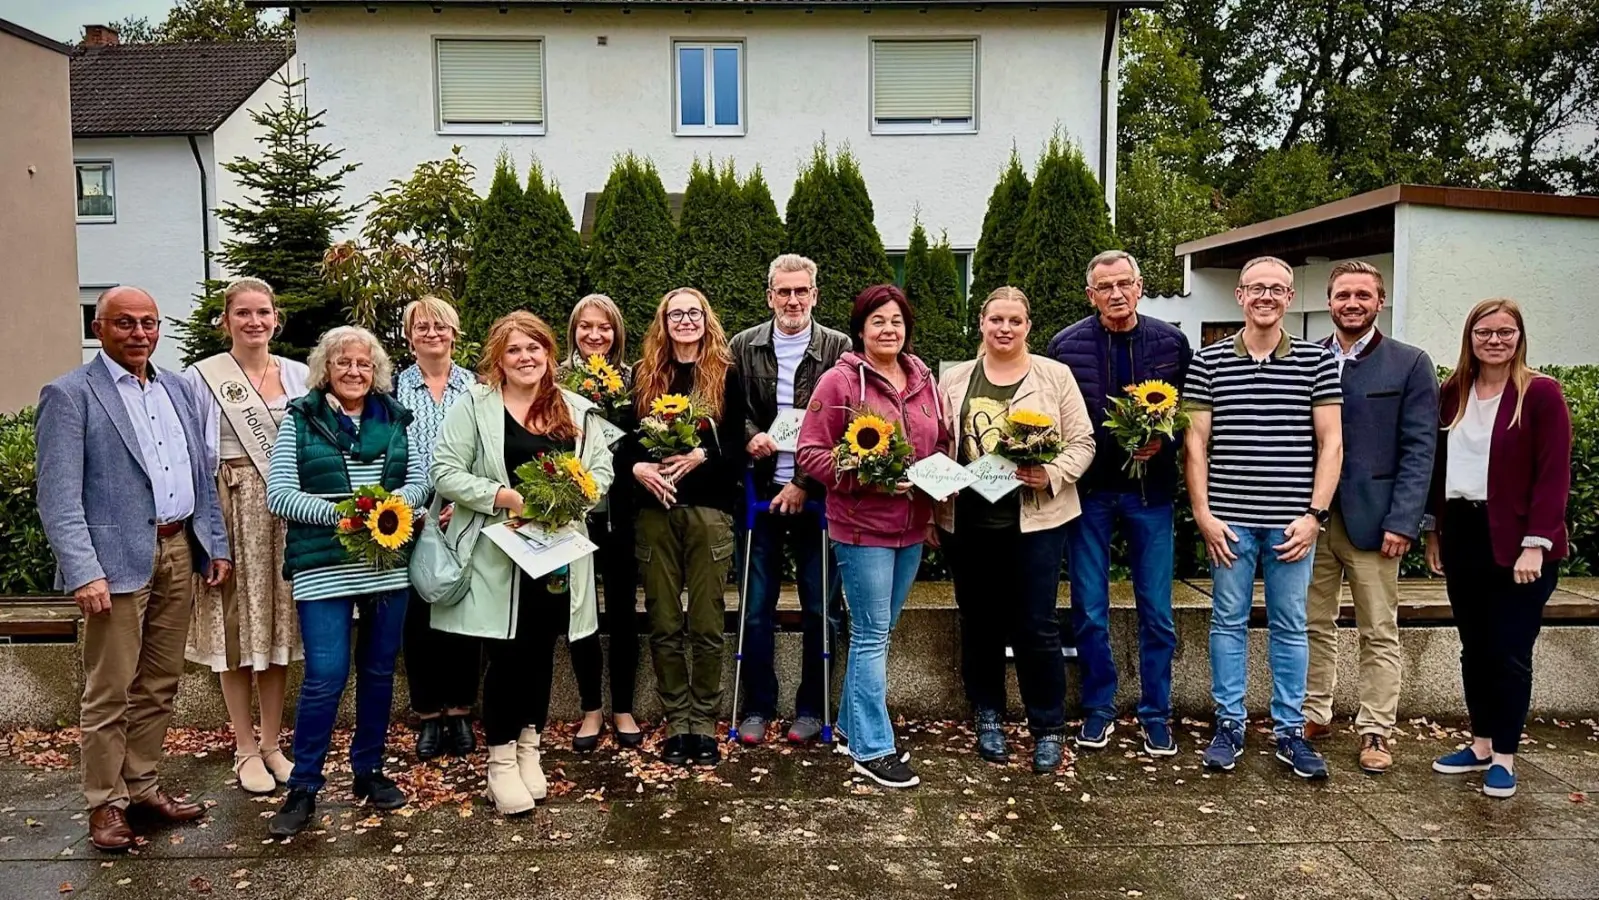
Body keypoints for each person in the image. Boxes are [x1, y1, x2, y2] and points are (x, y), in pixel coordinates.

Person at [36, 286, 231, 853]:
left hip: (177, 549)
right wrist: (83, 571)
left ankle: (142, 785)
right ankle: (105, 801)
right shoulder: (70, 395)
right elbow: (58, 496)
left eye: (148, 322)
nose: (139, 333)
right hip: (114, 563)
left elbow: (199, 475)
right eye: (125, 323)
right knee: (110, 689)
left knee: (160, 682)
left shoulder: (177, 388)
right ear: (99, 328)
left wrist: (214, 545)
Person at [430, 312, 615, 814]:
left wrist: (576, 494)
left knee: (541, 653)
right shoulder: (474, 407)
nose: (525, 358)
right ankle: (500, 761)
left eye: (534, 348)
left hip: (558, 555)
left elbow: (601, 470)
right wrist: (505, 497)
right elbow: (444, 470)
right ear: (498, 358)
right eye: (514, 350)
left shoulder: (575, 409)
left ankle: (530, 749)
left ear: (549, 354)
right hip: (499, 555)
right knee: (508, 657)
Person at [1183, 256, 1343, 781]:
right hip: (1228, 522)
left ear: (1290, 297)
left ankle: (1290, 731)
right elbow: (1196, 444)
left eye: (1277, 288)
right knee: (1227, 621)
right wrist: (1204, 515)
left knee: (1291, 625)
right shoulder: (1207, 362)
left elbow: (1331, 443)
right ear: (1240, 295)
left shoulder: (1317, 362)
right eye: (1256, 288)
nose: (1266, 296)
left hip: (1291, 524)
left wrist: (1315, 516)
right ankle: (1229, 725)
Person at [265, 326, 430, 836]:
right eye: (343, 362)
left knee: (378, 672)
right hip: (323, 567)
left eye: (363, 363)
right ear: (326, 369)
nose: (354, 371)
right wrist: (346, 515)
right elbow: (280, 494)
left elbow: (420, 481)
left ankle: (369, 770)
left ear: (375, 370)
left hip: (386, 565)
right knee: (326, 676)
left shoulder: (394, 418)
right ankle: (304, 786)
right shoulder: (300, 418)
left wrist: (393, 508)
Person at [936, 287, 1096, 773]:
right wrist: (937, 483)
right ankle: (988, 715)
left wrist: (1051, 473)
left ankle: (1047, 725)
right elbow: (939, 442)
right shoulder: (954, 378)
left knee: (1036, 624)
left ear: (1028, 326)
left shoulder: (1055, 376)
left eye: (1015, 321)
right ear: (981, 323)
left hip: (1036, 522)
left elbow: (1083, 442)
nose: (1004, 329)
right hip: (968, 523)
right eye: (996, 320)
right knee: (979, 622)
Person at [797, 284, 949, 789]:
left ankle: (848, 727)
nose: (888, 330)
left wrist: (939, 481)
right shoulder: (839, 382)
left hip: (912, 526)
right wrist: (867, 476)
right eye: (878, 321)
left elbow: (939, 440)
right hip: (862, 528)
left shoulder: (922, 378)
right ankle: (872, 748)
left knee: (878, 631)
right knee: (869, 633)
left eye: (896, 321)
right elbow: (810, 452)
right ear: (860, 329)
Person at [1047, 250, 1191, 757]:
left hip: (1150, 495)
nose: (1116, 293)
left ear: (1140, 286)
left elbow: (1192, 415)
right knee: (1089, 609)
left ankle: (1156, 712)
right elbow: (1055, 419)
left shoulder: (1171, 342)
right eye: (1105, 286)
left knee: (1157, 611)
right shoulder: (1065, 346)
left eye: (1124, 283)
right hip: (1088, 495)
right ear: (1091, 294)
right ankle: (1099, 707)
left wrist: (1164, 441)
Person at [1424, 299, 1570, 799]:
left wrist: (1536, 544)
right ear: (1470, 337)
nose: (1494, 341)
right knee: (1475, 648)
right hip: (1464, 532)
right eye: (1484, 332)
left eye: (1505, 332)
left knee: (1509, 651)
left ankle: (1504, 757)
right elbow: (1438, 469)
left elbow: (1553, 474)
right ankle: (1481, 744)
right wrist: (1434, 532)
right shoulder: (1453, 392)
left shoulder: (1540, 393)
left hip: (1519, 540)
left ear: (1519, 337)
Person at [1301, 261, 1438, 774]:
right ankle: (1314, 712)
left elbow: (1421, 448)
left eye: (1363, 294)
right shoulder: (1308, 359)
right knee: (1311, 621)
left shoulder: (1410, 363)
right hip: (1312, 518)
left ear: (1380, 301)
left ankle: (1376, 727)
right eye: (1343, 295)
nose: (1352, 303)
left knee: (1379, 628)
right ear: (1329, 302)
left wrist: (1405, 520)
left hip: (1378, 522)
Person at [182, 278, 310, 795]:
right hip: (230, 508)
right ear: (226, 320)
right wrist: (208, 536)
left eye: (263, 312)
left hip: (286, 515)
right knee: (235, 632)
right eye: (243, 313)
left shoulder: (299, 375)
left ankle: (274, 744)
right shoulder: (201, 379)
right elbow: (193, 459)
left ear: (276, 318)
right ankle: (244, 748)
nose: (254, 322)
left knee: (276, 631)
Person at [620, 287, 746, 767]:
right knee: (665, 620)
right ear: (664, 321)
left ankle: (703, 721)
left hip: (709, 512)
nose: (686, 321)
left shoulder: (725, 374)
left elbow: (736, 447)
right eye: (676, 314)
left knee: (708, 622)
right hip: (656, 512)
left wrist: (701, 454)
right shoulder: (644, 374)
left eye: (694, 313)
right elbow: (623, 442)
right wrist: (638, 468)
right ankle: (677, 720)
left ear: (706, 319)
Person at [728, 254, 851, 746]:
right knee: (755, 607)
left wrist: (803, 482)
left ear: (815, 295)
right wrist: (749, 435)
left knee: (821, 607)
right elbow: (728, 408)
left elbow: (845, 420)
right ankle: (757, 705)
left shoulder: (839, 348)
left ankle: (813, 707)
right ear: (770, 296)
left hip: (817, 496)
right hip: (758, 494)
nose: (793, 300)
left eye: (802, 291)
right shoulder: (743, 345)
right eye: (784, 291)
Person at [393, 296, 481, 762]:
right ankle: (428, 713)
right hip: (409, 514)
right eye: (422, 326)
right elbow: (388, 452)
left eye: (440, 325)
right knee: (420, 618)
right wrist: (414, 507)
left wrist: (461, 504)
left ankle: (461, 710)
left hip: (463, 511)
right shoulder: (392, 388)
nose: (432, 333)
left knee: (464, 612)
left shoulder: (475, 386)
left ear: (454, 332)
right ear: (409, 336)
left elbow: (485, 449)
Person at [561, 294, 644, 751]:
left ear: (617, 332)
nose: (595, 335)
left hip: (622, 511)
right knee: (580, 610)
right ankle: (591, 708)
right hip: (574, 514)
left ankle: (623, 707)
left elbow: (642, 442)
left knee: (624, 610)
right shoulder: (556, 379)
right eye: (586, 326)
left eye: (605, 327)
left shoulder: (634, 379)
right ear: (573, 330)